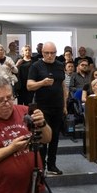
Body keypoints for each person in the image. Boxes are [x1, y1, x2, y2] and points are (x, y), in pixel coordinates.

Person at [27, 42, 68, 176]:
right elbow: (29, 86)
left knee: (55, 137)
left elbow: (63, 86)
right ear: (42, 53)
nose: (50, 56)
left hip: (57, 106)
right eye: (47, 53)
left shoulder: (60, 65)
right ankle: (41, 166)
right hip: (42, 107)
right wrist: (42, 83)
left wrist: (65, 105)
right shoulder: (36, 66)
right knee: (43, 138)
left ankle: (52, 165)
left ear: (56, 53)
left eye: (52, 53)